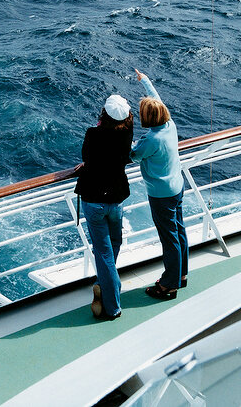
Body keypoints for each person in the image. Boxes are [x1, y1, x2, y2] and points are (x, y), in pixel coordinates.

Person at [132, 69, 188, 300]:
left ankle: (169, 285)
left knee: (169, 238)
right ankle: (181, 275)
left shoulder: (151, 140)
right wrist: (144, 80)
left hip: (161, 195)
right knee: (179, 231)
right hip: (177, 186)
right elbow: (157, 99)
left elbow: (133, 155)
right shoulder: (169, 125)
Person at [76, 93, 133, 321]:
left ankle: (112, 307)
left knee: (104, 252)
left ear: (104, 114)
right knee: (114, 244)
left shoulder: (93, 134)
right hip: (115, 200)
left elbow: (87, 157)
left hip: (94, 201)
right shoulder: (127, 133)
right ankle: (104, 283)